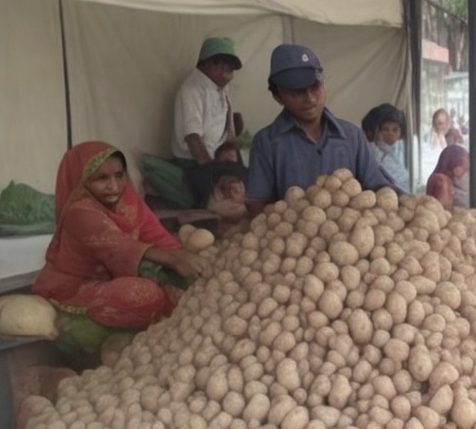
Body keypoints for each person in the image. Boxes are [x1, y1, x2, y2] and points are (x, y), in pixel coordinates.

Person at [33, 142, 206, 360]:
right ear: (82, 181)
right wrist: (175, 261)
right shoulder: (80, 213)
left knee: (179, 294)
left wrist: (182, 255)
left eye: (119, 175)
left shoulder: (127, 200)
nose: (113, 186)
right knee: (147, 295)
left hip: (117, 275)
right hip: (79, 285)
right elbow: (120, 248)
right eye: (102, 179)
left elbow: (154, 234)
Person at [246, 44, 396, 217]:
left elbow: (380, 190)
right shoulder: (267, 143)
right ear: (278, 96)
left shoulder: (352, 136)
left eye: (315, 87)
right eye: (297, 92)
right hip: (294, 240)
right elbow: (257, 205)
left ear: (324, 84)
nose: (310, 98)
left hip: (350, 239)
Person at [172, 37, 243, 205]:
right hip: (195, 161)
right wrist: (212, 172)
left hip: (218, 155)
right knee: (218, 200)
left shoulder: (222, 86)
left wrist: (232, 151)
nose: (228, 70)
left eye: (231, 65)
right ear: (206, 63)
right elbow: (193, 137)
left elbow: (229, 130)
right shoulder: (192, 89)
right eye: (222, 63)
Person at [369, 104, 410, 193]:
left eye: (395, 130)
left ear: (400, 132)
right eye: (386, 129)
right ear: (379, 131)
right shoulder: (373, 150)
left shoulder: (406, 148)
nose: (390, 133)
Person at [426, 145, 469, 211]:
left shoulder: (448, 181)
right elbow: (443, 207)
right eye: (465, 168)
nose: (465, 173)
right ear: (455, 166)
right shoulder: (441, 181)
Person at [421, 108, 451, 186]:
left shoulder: (444, 138)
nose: (443, 126)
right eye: (440, 123)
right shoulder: (431, 138)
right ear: (434, 124)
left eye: (446, 123)